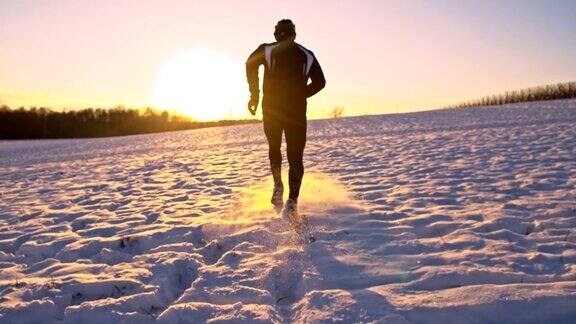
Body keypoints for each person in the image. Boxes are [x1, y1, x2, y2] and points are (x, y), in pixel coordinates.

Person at [245, 19, 325, 216]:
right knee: (295, 155)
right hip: (296, 112)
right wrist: (300, 95)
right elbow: (320, 82)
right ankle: (292, 201)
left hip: (272, 110)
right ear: (294, 35)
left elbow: (249, 64)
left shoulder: (267, 50)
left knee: (274, 147)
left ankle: (278, 184)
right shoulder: (307, 55)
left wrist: (254, 94)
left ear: (276, 35)